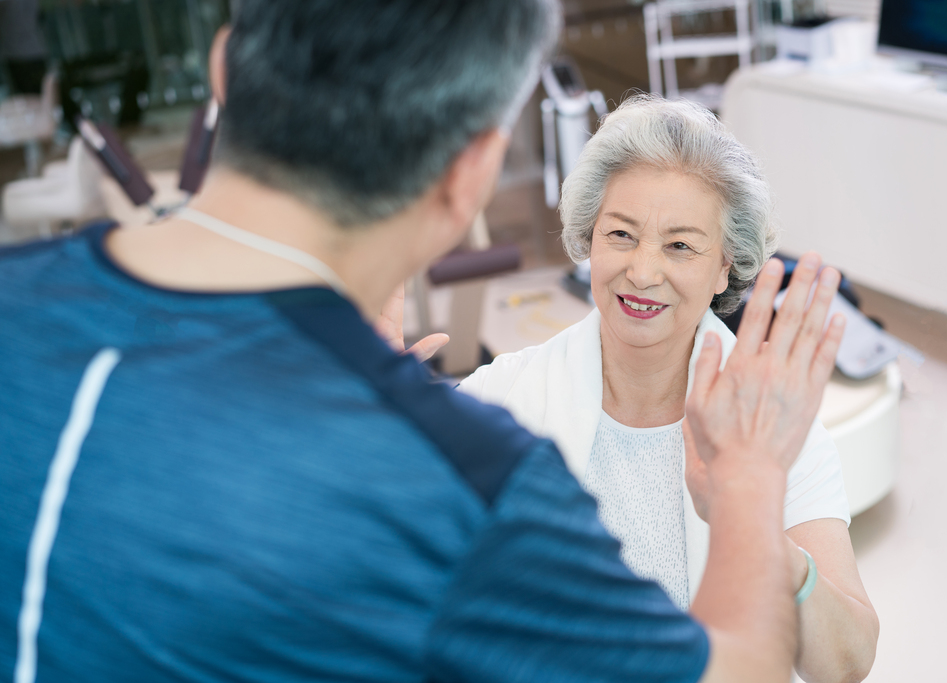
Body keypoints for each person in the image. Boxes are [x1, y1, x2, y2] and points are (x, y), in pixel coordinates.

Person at [1, 2, 841, 682]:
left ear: (222, 69)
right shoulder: (468, 481)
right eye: (622, 234)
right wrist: (751, 477)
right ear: (473, 170)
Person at [457, 96, 879, 682]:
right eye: (622, 235)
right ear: (590, 238)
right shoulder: (499, 399)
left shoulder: (771, 427)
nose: (643, 271)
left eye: (680, 245)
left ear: (725, 267)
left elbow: (847, 662)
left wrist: (750, 516)